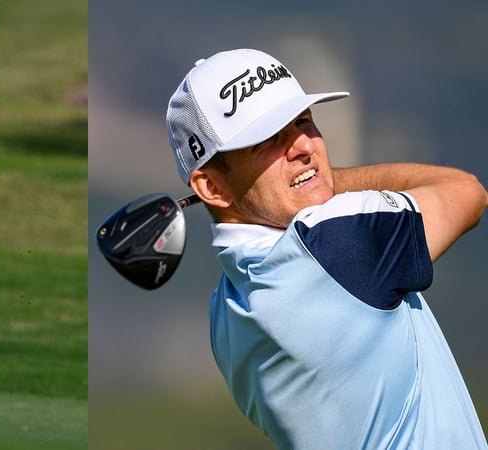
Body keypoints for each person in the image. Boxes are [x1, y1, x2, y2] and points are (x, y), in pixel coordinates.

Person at [165, 49, 488, 448]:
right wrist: (325, 179)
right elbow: (466, 193)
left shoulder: (225, 315)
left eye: (303, 121)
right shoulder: (335, 241)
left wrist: (303, 180)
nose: (304, 145)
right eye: (267, 140)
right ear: (212, 187)